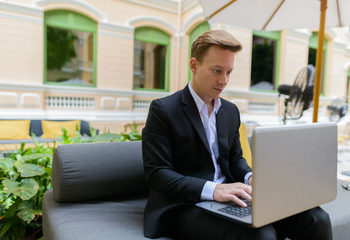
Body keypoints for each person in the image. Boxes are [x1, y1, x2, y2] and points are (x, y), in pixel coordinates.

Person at [142, 30, 332, 240]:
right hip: (185, 205)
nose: (224, 81)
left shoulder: (230, 111)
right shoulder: (164, 110)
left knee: (317, 219)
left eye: (229, 72)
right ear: (194, 66)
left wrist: (251, 178)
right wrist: (214, 190)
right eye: (217, 71)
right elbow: (157, 174)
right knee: (262, 235)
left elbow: (235, 160)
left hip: (231, 197)